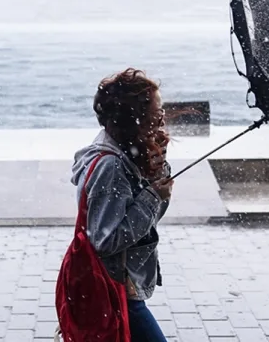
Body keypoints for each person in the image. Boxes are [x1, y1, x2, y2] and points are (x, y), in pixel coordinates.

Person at [70, 68, 173, 341]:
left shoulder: (125, 153)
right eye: (156, 114)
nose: (162, 120)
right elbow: (106, 239)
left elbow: (149, 220)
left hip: (120, 286)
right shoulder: (111, 166)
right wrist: (151, 196)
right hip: (114, 288)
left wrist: (157, 172)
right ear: (134, 120)